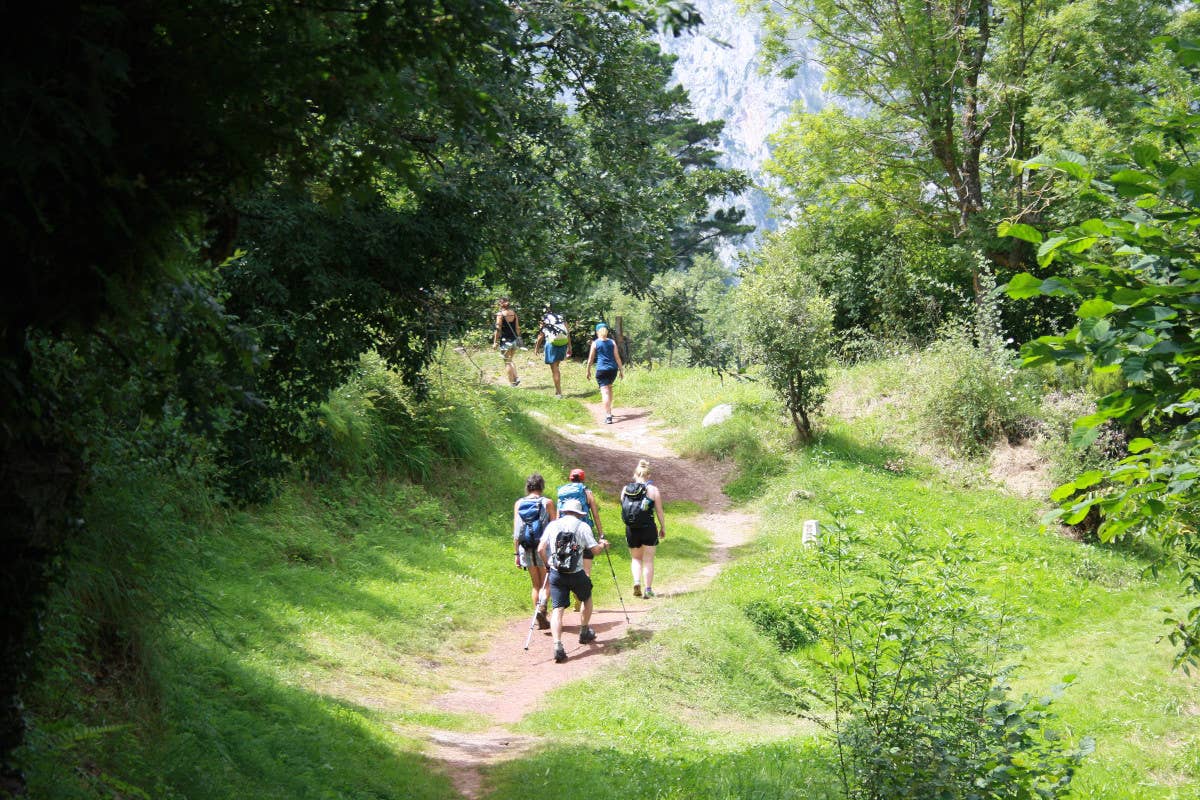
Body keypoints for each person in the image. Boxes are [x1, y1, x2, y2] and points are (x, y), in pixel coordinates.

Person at [537, 497, 610, 663]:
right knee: (587, 597)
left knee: (557, 609)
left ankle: (557, 645)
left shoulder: (553, 525)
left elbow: (541, 548)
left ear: (563, 511)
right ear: (579, 513)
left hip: (556, 573)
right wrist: (603, 544)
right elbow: (595, 550)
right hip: (576, 573)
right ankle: (584, 631)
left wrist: (548, 565)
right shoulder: (583, 526)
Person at [514, 473, 557, 630]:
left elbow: (516, 531)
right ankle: (543, 606)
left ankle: (539, 616)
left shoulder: (519, 503)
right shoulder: (548, 503)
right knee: (548, 581)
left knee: (535, 585)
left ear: (528, 487)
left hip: (526, 548)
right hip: (543, 548)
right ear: (542, 486)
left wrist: (516, 554)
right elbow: (555, 527)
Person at [622, 459, 665, 598]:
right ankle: (648, 589)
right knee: (648, 559)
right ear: (648, 475)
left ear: (635, 474)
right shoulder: (653, 490)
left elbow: (624, 506)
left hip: (631, 528)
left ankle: (636, 582)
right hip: (648, 528)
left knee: (636, 559)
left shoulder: (626, 489)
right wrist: (662, 527)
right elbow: (659, 511)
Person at [585, 322, 624, 424]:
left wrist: (588, 371)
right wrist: (621, 370)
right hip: (613, 370)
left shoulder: (595, 343)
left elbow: (590, 359)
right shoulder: (612, 342)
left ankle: (608, 415)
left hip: (601, 370)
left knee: (604, 391)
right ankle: (610, 410)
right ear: (607, 331)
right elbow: (617, 357)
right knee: (609, 388)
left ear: (597, 332)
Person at [532, 306, 571, 398]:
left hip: (552, 344)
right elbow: (567, 332)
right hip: (563, 343)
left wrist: (536, 347)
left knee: (554, 369)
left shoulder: (545, 319)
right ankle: (557, 391)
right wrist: (570, 346)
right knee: (556, 366)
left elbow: (541, 335)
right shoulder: (561, 318)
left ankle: (559, 392)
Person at [492, 297, 522, 387]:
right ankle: (516, 377)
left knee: (507, 362)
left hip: (505, 341)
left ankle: (512, 383)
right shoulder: (514, 313)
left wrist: (495, 342)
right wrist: (518, 338)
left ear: (501, 304)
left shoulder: (500, 315)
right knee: (510, 360)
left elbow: (498, 329)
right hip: (514, 340)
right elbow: (517, 328)